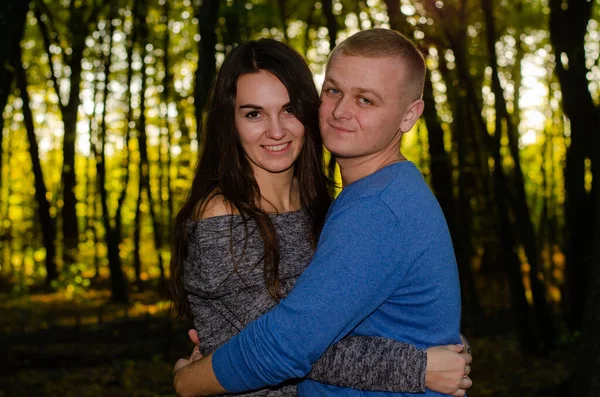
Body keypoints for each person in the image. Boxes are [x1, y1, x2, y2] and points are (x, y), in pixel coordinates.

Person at [171, 34, 471, 397]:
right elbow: (289, 341)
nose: (342, 111)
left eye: (366, 99)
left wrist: (189, 381)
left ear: (409, 114)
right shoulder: (365, 198)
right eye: (333, 91)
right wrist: (417, 366)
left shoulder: (369, 207)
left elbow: (288, 343)